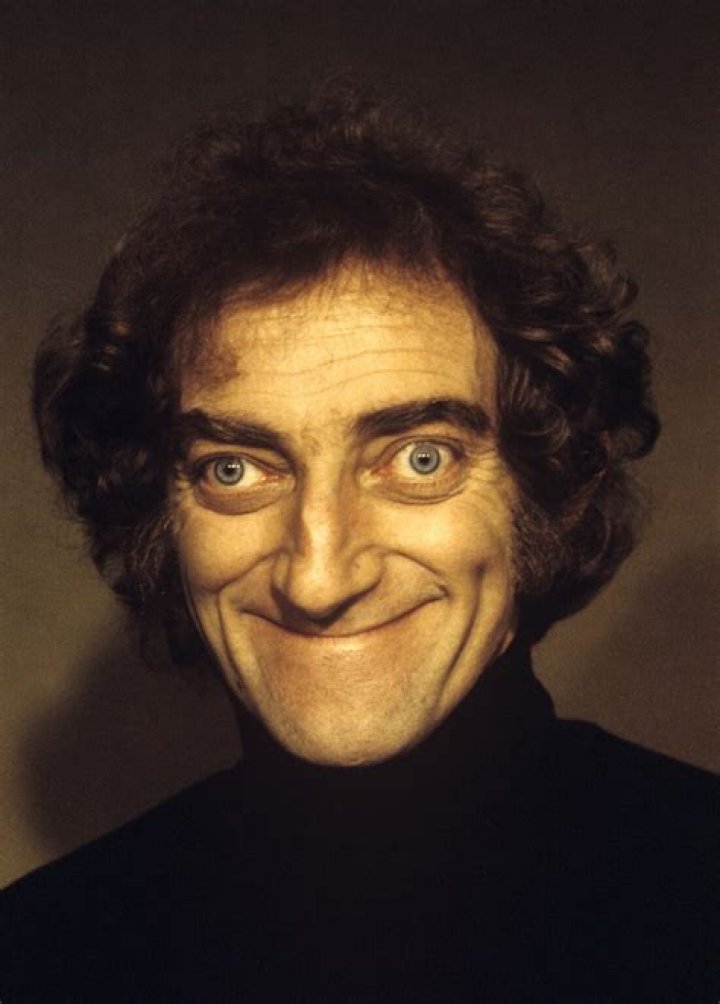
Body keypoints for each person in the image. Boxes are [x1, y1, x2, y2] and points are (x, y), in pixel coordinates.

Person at [2, 90, 718, 1002]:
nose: (318, 575)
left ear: (545, 489)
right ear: (160, 516)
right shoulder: (38, 951)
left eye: (419, 459)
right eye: (235, 469)